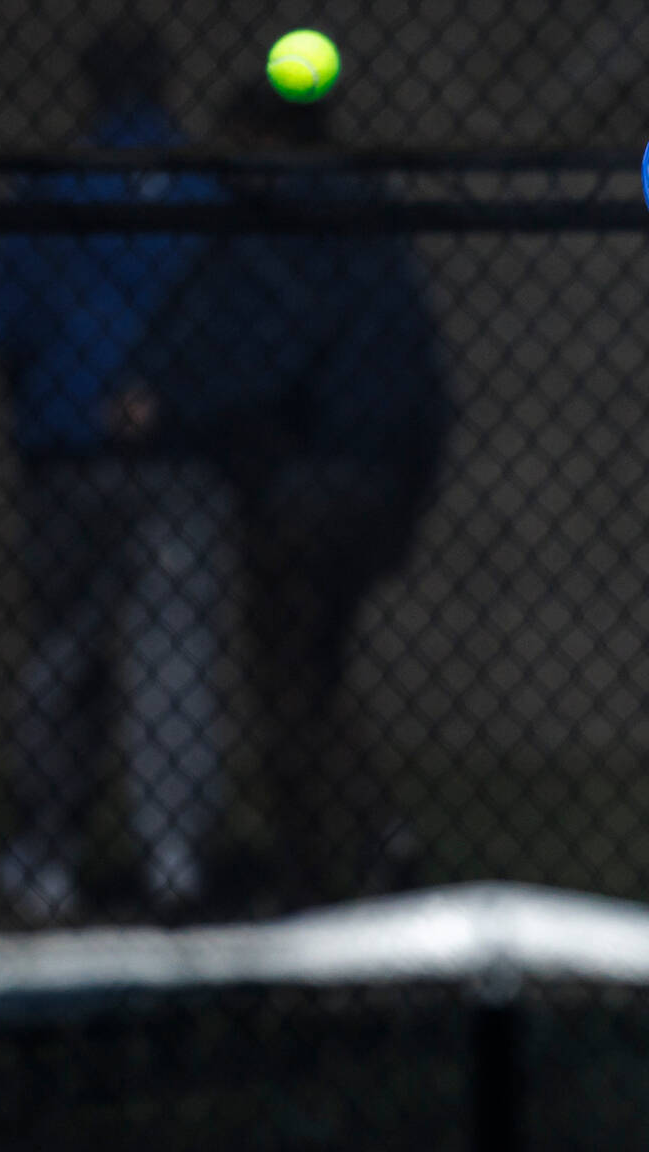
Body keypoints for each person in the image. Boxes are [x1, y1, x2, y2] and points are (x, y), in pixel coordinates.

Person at [137, 82, 452, 909]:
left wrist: (166, 403)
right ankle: (375, 838)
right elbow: (421, 377)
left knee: (285, 679)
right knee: (317, 672)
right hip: (377, 474)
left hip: (306, 477)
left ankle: (312, 870)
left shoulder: (278, 222)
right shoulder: (363, 220)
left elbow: (261, 351)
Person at [0, 16, 233, 921]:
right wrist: (166, 391)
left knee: (66, 652)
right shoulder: (200, 187)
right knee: (176, 652)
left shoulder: (54, 184)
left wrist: (69, 390)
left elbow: (2, 323)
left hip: (68, 445)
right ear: (164, 82)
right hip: (179, 446)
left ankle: (47, 855)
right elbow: (230, 318)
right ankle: (173, 858)